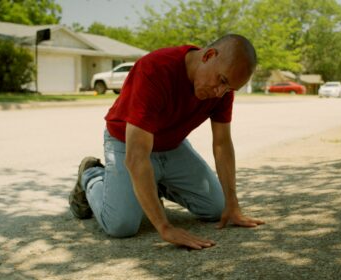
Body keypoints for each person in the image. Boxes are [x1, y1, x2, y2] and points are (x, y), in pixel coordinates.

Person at [69, 34, 264, 250]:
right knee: (121, 226)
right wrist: (164, 226)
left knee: (218, 209)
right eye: (222, 81)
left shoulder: (223, 90)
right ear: (209, 55)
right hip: (126, 143)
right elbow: (136, 157)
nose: (221, 92)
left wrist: (233, 204)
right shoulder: (155, 68)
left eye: (229, 89)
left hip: (172, 145)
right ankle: (92, 175)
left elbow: (222, 144)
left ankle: (153, 184)